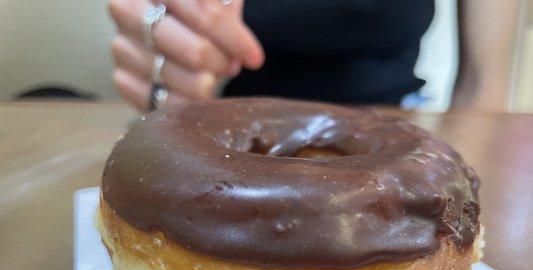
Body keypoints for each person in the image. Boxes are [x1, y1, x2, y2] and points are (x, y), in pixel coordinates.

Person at [108, 0, 519, 112]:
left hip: (399, 128)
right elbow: (169, 21)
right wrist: (170, 50)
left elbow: (484, 85)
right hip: (238, 133)